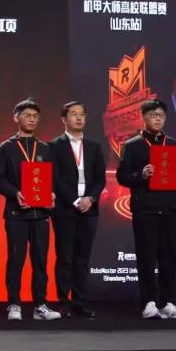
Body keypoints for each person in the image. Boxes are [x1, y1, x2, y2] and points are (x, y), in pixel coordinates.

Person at [116, 99, 176, 319]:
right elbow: (122, 176)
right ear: (143, 117)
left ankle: (167, 302)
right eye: (153, 115)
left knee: (169, 257)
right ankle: (148, 301)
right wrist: (141, 174)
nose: (157, 119)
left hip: (170, 209)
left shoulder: (174, 144)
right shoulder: (132, 145)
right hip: (145, 209)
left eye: (161, 115)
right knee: (146, 257)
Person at [0, 98, 61, 322]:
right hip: (16, 214)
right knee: (16, 259)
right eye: (27, 115)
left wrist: (52, 194)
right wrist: (15, 193)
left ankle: (40, 305)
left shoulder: (45, 148)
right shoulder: (7, 147)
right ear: (16, 118)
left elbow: (52, 179)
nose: (32, 119)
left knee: (40, 261)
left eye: (35, 117)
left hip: (41, 215)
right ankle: (14, 304)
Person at [49, 101, 106, 318]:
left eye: (82, 114)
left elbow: (100, 178)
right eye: (74, 114)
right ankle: (63, 302)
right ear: (64, 119)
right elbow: (55, 179)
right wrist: (75, 200)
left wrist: (90, 198)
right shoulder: (54, 146)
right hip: (65, 209)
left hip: (89, 209)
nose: (79, 118)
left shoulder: (94, 146)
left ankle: (79, 302)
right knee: (65, 257)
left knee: (82, 258)